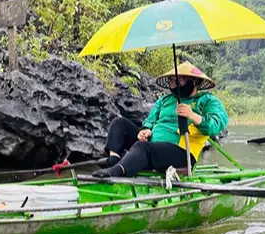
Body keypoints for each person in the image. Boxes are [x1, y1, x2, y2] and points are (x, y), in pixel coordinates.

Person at [93, 62, 229, 178]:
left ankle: (117, 171)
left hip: (182, 152)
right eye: (172, 81)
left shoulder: (207, 101)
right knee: (119, 123)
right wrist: (146, 130)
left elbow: (216, 125)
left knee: (143, 148)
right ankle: (114, 159)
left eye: (181, 80)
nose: (175, 85)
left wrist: (192, 115)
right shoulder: (164, 100)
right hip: (153, 146)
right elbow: (150, 120)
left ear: (195, 81)